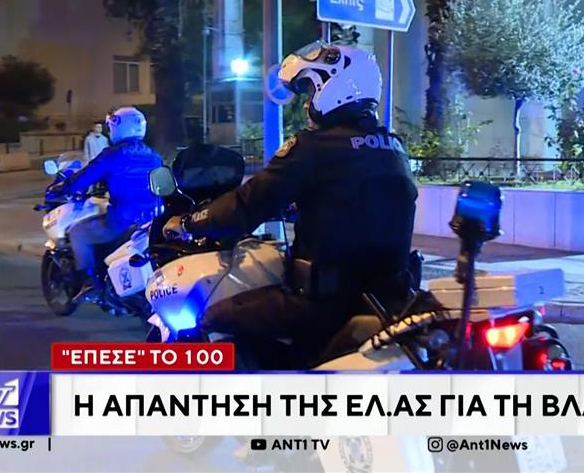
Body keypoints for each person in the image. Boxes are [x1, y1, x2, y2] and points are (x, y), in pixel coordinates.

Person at [163, 41, 425, 359]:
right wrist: (300, 206)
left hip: (325, 305)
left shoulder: (314, 147)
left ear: (334, 88)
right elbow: (354, 202)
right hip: (388, 299)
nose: (307, 104)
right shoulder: (393, 148)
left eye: (311, 91)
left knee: (213, 318)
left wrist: (189, 223)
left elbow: (247, 204)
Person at [49, 106, 163, 295]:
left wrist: (61, 188)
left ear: (120, 127)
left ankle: (89, 282)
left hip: (122, 220)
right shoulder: (154, 155)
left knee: (78, 232)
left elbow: (85, 177)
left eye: (111, 127)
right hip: (152, 219)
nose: (110, 131)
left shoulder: (113, 154)